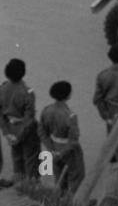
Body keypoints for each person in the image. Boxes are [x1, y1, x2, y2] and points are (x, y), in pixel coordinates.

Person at [39, 81, 85, 193]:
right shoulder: (70, 115)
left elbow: (42, 132)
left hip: (54, 146)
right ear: (68, 95)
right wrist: (62, 153)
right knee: (76, 175)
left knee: (59, 176)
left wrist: (51, 149)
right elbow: (73, 140)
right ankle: (71, 202)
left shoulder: (46, 110)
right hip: (68, 150)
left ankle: (60, 197)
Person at [0, 59, 40, 187]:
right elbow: (29, 117)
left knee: (17, 158)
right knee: (31, 159)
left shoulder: (2, 88)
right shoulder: (27, 92)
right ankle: (32, 187)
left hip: (11, 128)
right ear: (23, 72)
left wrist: (7, 133)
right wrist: (20, 135)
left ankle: (18, 184)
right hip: (27, 130)